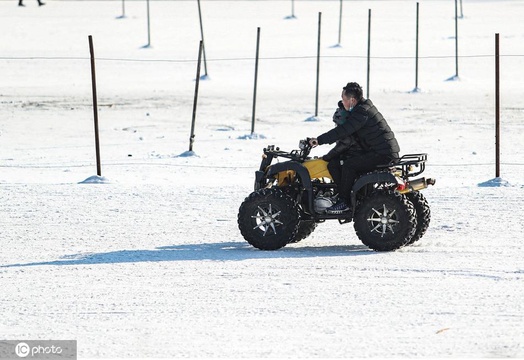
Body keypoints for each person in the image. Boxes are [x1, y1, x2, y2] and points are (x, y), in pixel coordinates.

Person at [310, 82, 400, 214]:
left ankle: (344, 202)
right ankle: (351, 195)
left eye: (344, 100)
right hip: (384, 152)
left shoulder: (361, 113)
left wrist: (319, 140)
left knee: (349, 165)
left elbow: (343, 131)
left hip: (382, 155)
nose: (342, 102)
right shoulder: (365, 107)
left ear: (352, 100)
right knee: (344, 162)